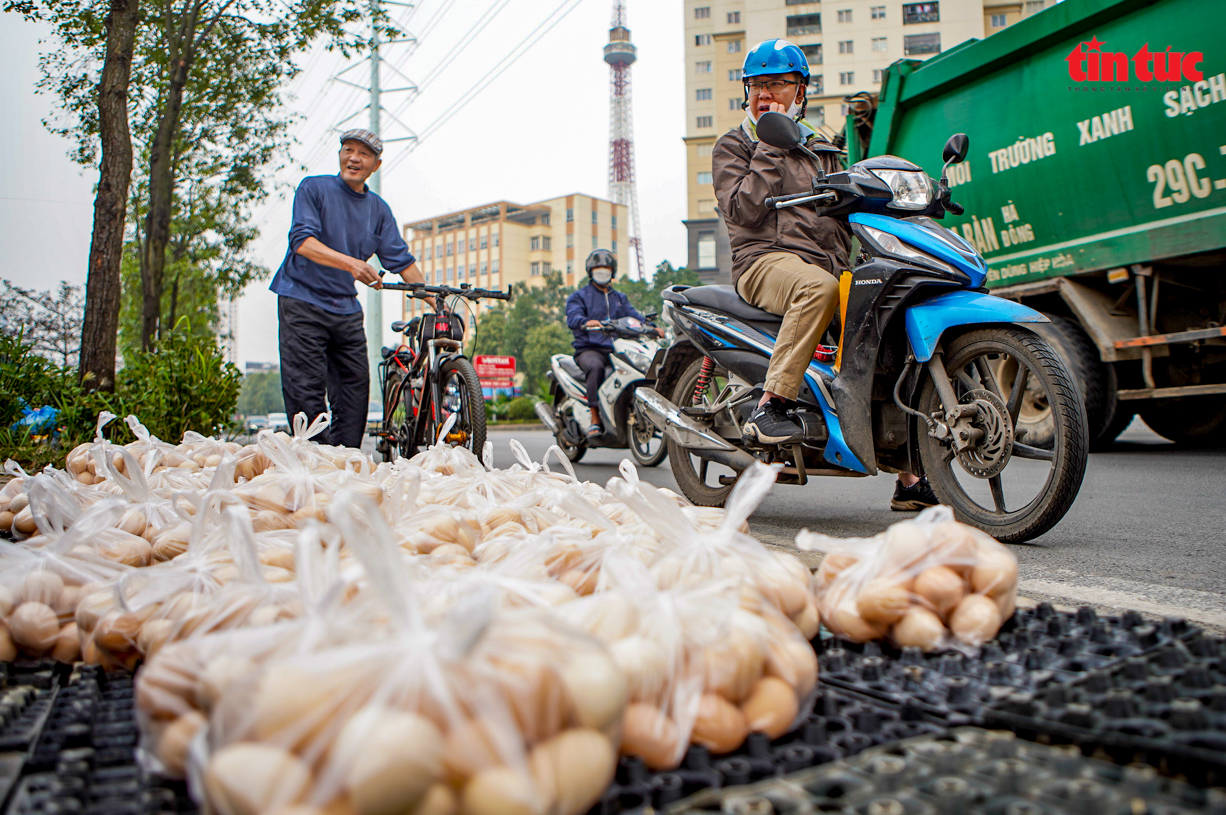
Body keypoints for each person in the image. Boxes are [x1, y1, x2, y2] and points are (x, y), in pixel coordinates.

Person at [712, 39, 937, 511]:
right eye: (758, 84)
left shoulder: (821, 146)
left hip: (831, 266)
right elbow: (742, 210)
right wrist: (771, 145)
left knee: (886, 323)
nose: (766, 93)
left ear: (801, 92)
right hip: (764, 261)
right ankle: (770, 405)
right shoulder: (736, 143)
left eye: (779, 83)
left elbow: (852, 203)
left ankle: (911, 473)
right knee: (817, 287)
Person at [269, 128, 428, 450]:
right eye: (348, 150)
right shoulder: (314, 189)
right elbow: (302, 242)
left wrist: (435, 299)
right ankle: (315, 464)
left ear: (376, 165)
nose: (354, 158)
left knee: (356, 388)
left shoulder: (378, 209)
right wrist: (352, 264)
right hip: (302, 300)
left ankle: (345, 463)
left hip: (345, 308)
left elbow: (401, 260)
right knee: (307, 389)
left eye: (363, 154)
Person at [565, 249, 662, 440]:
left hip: (615, 348)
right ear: (590, 271)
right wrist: (585, 322)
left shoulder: (619, 298)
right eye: (598, 268)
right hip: (589, 348)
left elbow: (634, 317)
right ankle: (595, 417)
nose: (602, 272)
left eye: (606, 268)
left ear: (613, 271)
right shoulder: (580, 296)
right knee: (596, 367)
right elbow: (573, 316)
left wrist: (651, 327)